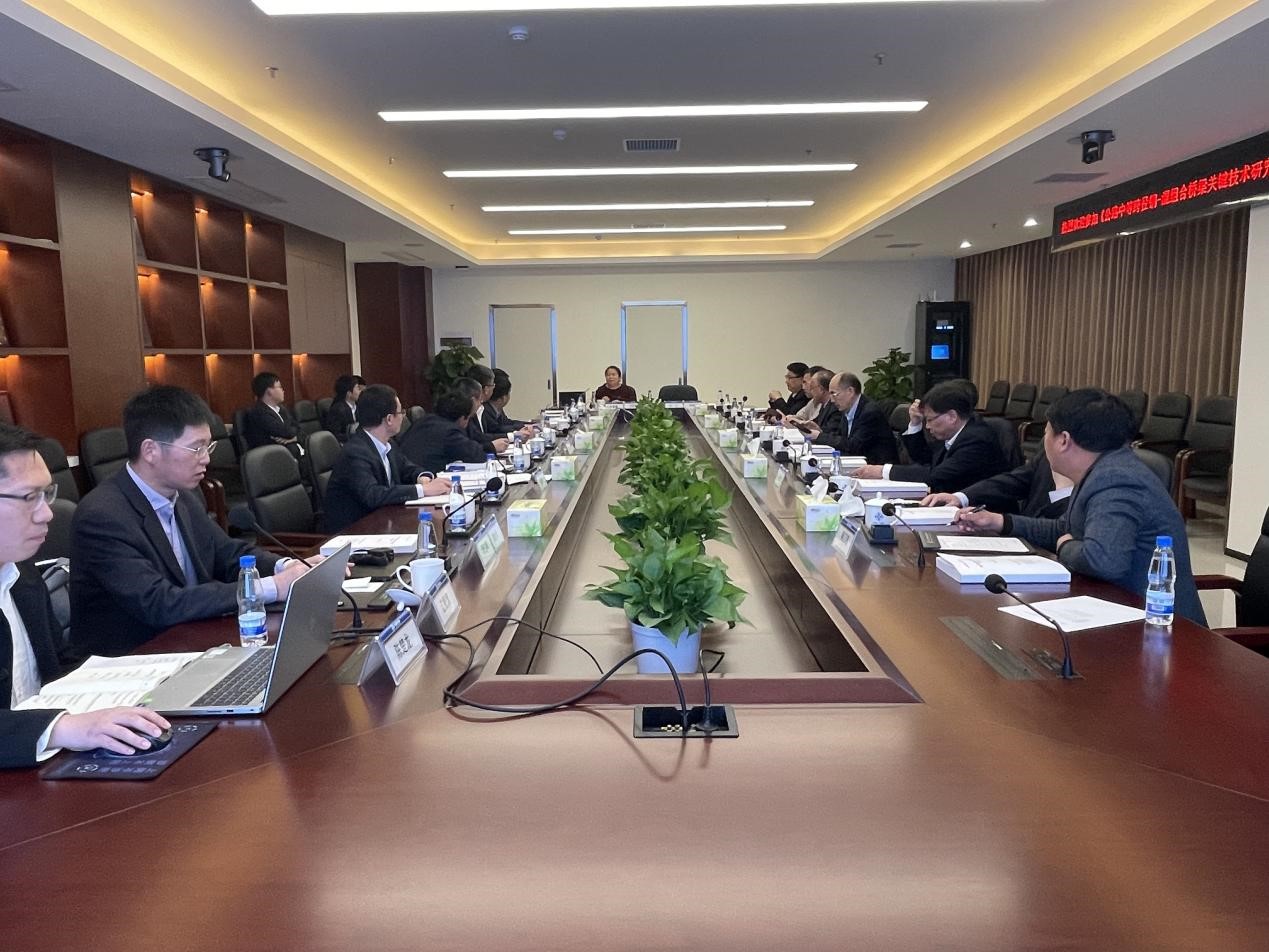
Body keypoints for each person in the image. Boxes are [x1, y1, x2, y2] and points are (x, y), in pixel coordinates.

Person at [71, 386, 310, 657]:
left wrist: (288, 567)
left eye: (208, 446)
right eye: (196, 448)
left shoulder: (183, 496)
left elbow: (227, 553)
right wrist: (272, 587)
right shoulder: (103, 516)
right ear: (150, 450)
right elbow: (159, 602)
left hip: (192, 639)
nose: (206, 458)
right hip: (134, 657)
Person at [957, 389, 1206, 625]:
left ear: (1063, 440)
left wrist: (1065, 546)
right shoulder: (1102, 468)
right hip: (1118, 610)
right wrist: (1000, 522)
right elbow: (1065, 528)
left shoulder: (1116, 479)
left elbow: (1103, 560)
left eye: (1046, 432)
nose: (1044, 440)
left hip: (1160, 626)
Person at [0, 422, 169, 767]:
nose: (47, 513)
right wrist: (60, 727)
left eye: (46, 493)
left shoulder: (22, 574)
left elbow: (56, 669)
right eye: (29, 497)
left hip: (44, 766)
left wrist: (130, 684)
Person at [322, 385, 450, 532]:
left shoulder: (388, 444)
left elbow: (406, 468)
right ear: (389, 419)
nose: (403, 416)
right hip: (355, 531)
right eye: (401, 412)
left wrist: (422, 477)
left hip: (383, 522)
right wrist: (423, 490)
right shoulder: (355, 452)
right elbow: (373, 495)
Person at [853, 379, 1007, 493]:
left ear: (952, 416)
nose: (927, 426)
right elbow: (925, 459)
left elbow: (935, 474)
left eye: (931, 419)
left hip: (983, 514)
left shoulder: (977, 439)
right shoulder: (953, 433)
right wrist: (915, 424)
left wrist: (882, 471)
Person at [921, 453, 1073, 519]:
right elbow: (1013, 481)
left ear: (1063, 439)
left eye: (1047, 433)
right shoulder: (1046, 457)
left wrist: (1062, 492)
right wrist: (960, 497)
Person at [803, 372, 897, 463]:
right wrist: (820, 432)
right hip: (856, 460)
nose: (832, 400)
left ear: (850, 391)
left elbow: (854, 445)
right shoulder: (848, 408)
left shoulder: (869, 412)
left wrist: (819, 436)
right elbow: (840, 438)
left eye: (834, 394)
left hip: (876, 466)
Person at [399, 389, 495, 475]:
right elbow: (476, 455)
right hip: (425, 478)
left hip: (407, 476)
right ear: (462, 418)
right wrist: (492, 446)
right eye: (468, 418)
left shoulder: (425, 420)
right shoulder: (450, 432)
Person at [242, 371, 302, 459]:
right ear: (269, 391)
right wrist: (293, 434)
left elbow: (298, 428)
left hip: (294, 453)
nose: (283, 390)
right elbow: (286, 432)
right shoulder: (259, 412)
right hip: (275, 458)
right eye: (280, 387)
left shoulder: (282, 409)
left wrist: (294, 438)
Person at [453, 376, 510, 455]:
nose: (481, 404)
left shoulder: (468, 416)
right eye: (479, 400)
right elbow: (466, 448)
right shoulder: (456, 421)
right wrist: (492, 446)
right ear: (473, 400)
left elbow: (479, 436)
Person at [486, 370, 533, 434]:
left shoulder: (496, 407)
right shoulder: (486, 411)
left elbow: (507, 423)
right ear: (503, 398)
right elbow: (498, 429)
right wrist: (518, 432)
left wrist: (529, 424)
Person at [323, 374, 365, 443]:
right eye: (357, 388)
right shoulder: (337, 410)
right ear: (349, 393)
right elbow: (334, 435)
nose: (360, 391)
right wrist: (354, 436)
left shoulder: (359, 406)